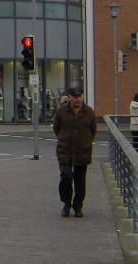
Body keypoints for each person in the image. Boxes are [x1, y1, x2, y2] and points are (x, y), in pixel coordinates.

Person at [53, 86, 96, 218]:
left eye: (79, 97)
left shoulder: (89, 111)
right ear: (70, 97)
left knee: (80, 181)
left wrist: (85, 143)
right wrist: (64, 139)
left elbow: (93, 130)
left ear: (82, 97)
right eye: (75, 97)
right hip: (64, 151)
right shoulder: (61, 111)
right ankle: (66, 204)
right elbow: (56, 128)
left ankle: (78, 206)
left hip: (82, 151)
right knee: (66, 177)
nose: (77, 99)